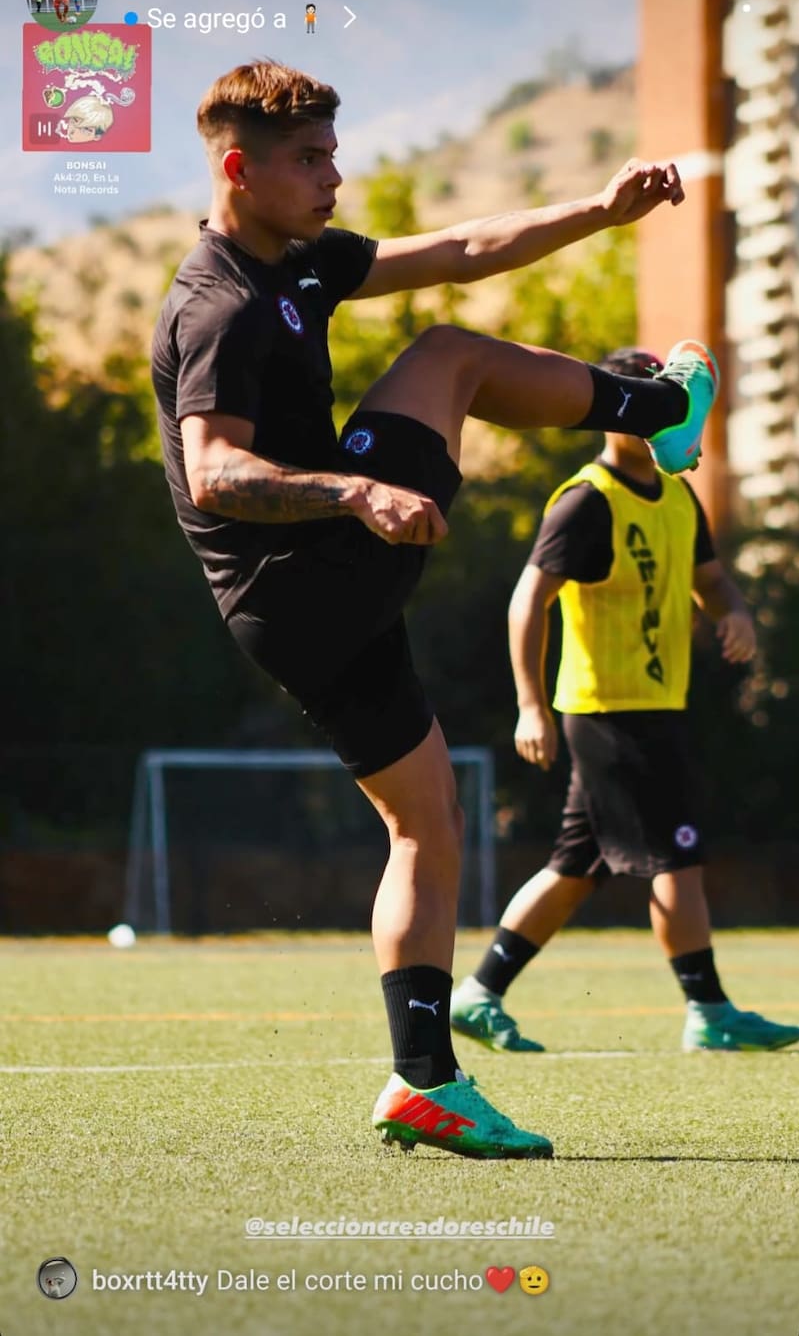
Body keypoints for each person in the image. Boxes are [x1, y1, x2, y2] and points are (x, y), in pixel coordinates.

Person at [151, 59, 721, 1160]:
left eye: (331, 150)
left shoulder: (299, 266)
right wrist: (355, 490)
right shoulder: (219, 302)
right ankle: (657, 413)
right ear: (239, 168)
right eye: (310, 159)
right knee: (446, 356)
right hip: (307, 569)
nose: (334, 174)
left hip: (298, 606)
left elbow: (460, 250)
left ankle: (425, 1081)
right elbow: (215, 472)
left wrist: (599, 212)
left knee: (425, 826)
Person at [451, 349, 799, 1056]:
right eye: (639, 399)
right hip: (609, 709)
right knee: (678, 855)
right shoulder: (587, 500)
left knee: (576, 866)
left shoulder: (678, 495)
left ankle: (479, 993)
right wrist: (530, 704)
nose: (653, 413)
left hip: (655, 703)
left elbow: (714, 581)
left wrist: (734, 613)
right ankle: (709, 1009)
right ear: (610, 408)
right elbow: (529, 600)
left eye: (668, 400)